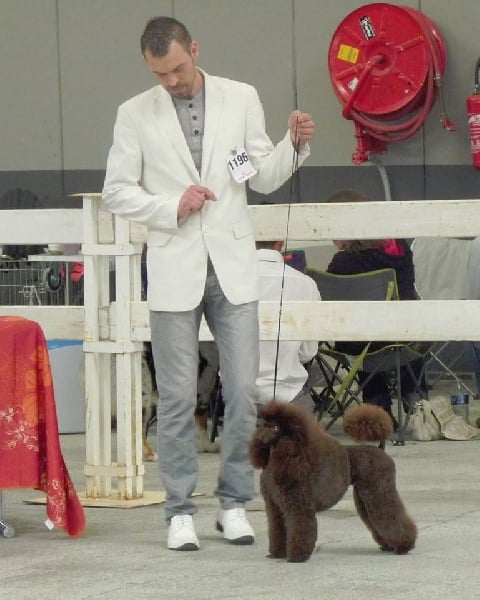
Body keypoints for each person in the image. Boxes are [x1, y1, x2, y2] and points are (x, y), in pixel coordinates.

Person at [102, 16, 315, 551]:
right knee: (177, 398)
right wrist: (170, 205)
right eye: (160, 74)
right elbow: (117, 191)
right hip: (173, 268)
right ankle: (178, 511)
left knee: (243, 392)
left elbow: (260, 175)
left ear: (194, 49)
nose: (171, 81)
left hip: (233, 268)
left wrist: (292, 145)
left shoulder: (241, 98)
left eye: (177, 68)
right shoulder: (133, 114)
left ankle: (233, 505)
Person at [325, 189, 427, 425]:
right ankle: (415, 396)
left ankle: (377, 403)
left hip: (362, 348)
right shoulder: (400, 250)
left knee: (358, 330)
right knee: (402, 321)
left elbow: (328, 301)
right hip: (406, 343)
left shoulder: (343, 262)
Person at [255, 240, 321, 410]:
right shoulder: (306, 284)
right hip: (290, 394)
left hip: (236, 397)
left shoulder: (225, 281)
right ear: (280, 242)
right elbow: (308, 352)